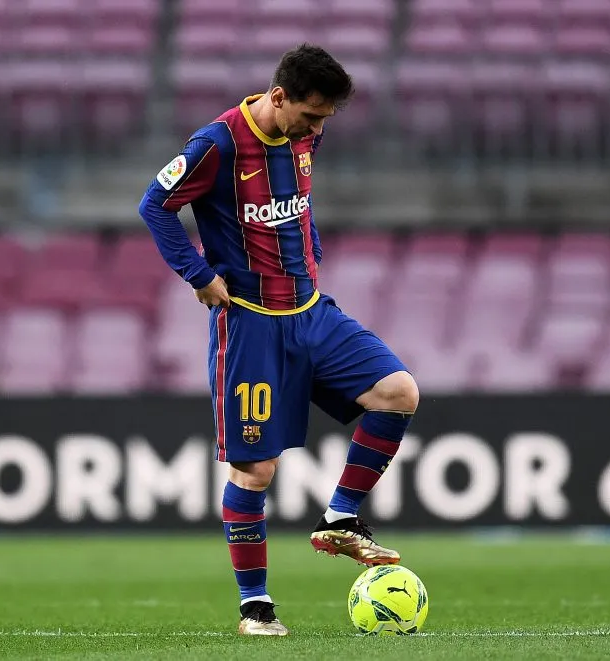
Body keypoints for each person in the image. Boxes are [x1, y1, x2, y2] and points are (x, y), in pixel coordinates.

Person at [138, 44, 419, 637]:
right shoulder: (215, 145)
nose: (317, 129)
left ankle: (342, 517)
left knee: (398, 392)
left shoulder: (304, 138)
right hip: (251, 325)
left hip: (313, 313)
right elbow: (154, 205)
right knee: (255, 470)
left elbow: (299, 205)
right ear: (278, 96)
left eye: (325, 121)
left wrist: (310, 247)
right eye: (311, 116)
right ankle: (256, 608)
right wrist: (199, 274)